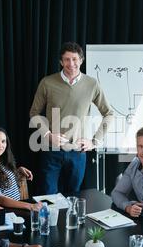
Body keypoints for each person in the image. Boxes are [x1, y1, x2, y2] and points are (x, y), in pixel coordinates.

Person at [29, 41, 113, 194]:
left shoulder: (92, 84)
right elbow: (34, 113)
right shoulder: (47, 82)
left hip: (78, 152)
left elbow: (109, 114)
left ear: (81, 60)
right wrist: (48, 135)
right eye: (67, 59)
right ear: (61, 61)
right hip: (51, 150)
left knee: (73, 197)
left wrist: (94, 141)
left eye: (74, 59)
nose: (71, 63)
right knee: (49, 198)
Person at [0, 127, 41, 211]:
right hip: (4, 211)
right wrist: (30, 206)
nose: (0, 145)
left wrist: (18, 170)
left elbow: (4, 178)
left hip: (17, 208)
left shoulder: (3, 162)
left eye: (3, 141)